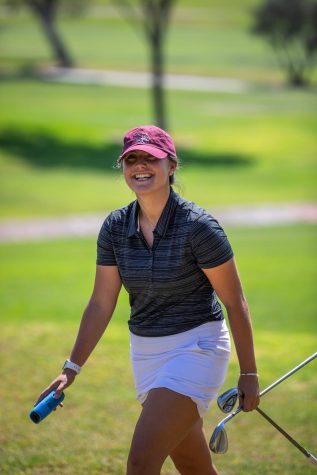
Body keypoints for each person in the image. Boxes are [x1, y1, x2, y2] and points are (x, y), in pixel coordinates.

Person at [36, 125, 260, 475]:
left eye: (151, 158)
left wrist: (249, 373)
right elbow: (101, 302)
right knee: (195, 468)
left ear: (171, 166)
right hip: (146, 355)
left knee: (141, 462)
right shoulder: (114, 226)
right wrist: (71, 369)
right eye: (132, 159)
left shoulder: (199, 227)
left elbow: (235, 302)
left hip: (197, 348)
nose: (140, 166)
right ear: (123, 168)